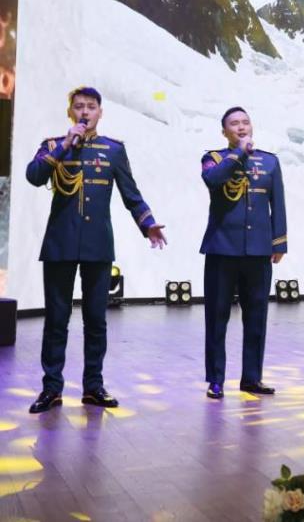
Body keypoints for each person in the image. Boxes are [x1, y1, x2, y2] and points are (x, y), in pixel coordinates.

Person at [25, 86, 166, 414]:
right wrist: (65, 144)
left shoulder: (113, 150)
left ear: (100, 112)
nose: (85, 112)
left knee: (96, 320)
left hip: (98, 246)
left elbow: (131, 194)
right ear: (70, 112)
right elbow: (34, 176)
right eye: (79, 106)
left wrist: (148, 224)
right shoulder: (52, 146)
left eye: (91, 106)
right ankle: (51, 389)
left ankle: (93, 386)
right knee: (56, 319)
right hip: (60, 245)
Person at [200, 107, 287, 399]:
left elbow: (278, 203)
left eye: (245, 122)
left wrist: (279, 242)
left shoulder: (270, 161)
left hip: (258, 251)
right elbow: (214, 181)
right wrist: (238, 153)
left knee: (257, 317)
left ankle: (252, 378)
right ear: (224, 131)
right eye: (234, 124)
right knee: (217, 317)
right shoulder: (213, 159)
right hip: (222, 249)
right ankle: (216, 380)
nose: (241, 127)